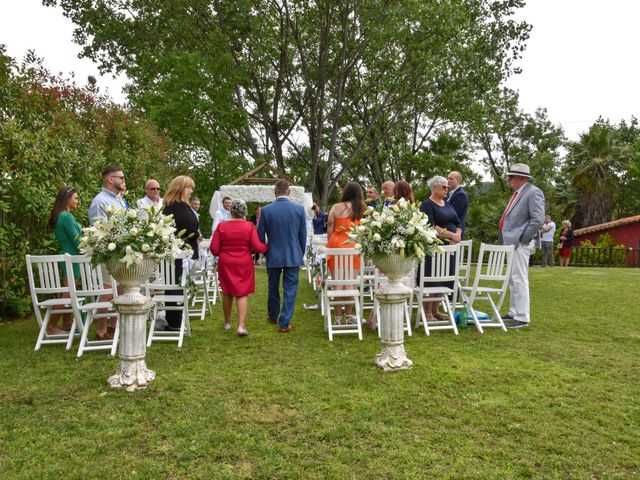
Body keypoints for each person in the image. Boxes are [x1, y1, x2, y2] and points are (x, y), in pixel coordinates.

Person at [210, 199, 268, 336]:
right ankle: (241, 326)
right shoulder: (249, 226)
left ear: (231, 211)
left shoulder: (221, 226)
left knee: (227, 292)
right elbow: (257, 247)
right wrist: (267, 246)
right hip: (243, 263)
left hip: (226, 262)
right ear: (245, 212)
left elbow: (214, 249)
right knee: (241, 293)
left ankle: (227, 322)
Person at [498, 163, 545, 329]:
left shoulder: (533, 192)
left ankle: (522, 316)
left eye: (512, 176)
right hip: (511, 241)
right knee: (512, 278)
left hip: (519, 242)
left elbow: (538, 219)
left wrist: (523, 239)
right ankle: (513, 312)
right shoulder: (519, 193)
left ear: (522, 178)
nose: (509, 179)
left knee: (519, 278)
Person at [257, 180, 307, 333]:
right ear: (289, 191)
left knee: (273, 286)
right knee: (290, 288)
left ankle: (273, 315)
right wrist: (300, 252)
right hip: (293, 253)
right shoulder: (299, 210)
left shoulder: (266, 210)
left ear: (274, 191)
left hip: (274, 254)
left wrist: (266, 251)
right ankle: (284, 322)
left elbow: (260, 235)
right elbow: (302, 235)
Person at [418, 176, 462, 323]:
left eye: (447, 187)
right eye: (443, 187)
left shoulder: (448, 204)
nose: (446, 189)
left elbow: (458, 222)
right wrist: (451, 235)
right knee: (431, 279)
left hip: (449, 249)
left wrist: (457, 235)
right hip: (435, 248)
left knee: (443, 280)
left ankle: (435, 310)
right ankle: (427, 313)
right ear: (434, 188)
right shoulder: (427, 204)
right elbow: (431, 226)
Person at [162, 176, 200, 330]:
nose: (191, 191)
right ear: (181, 188)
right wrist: (197, 235)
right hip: (181, 254)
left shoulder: (169, 205)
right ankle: (175, 322)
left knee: (173, 285)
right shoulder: (180, 207)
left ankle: (173, 320)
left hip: (175, 253)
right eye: (189, 188)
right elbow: (187, 228)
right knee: (177, 286)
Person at [325, 182, 366, 323]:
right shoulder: (361, 208)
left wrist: (329, 243)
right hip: (353, 245)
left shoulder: (336, 207)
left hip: (336, 244)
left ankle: (337, 317)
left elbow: (330, 227)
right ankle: (348, 316)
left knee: (337, 283)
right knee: (350, 284)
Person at [47, 187, 83, 335]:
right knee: (68, 293)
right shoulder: (66, 217)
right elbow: (77, 241)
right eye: (75, 198)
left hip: (67, 257)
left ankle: (67, 323)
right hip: (72, 258)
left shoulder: (62, 215)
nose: (77, 201)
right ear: (67, 199)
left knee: (69, 291)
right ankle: (51, 326)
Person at [446, 171, 469, 239]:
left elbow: (454, 215)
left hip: (455, 232)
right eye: (448, 178)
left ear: (458, 180)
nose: (448, 181)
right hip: (448, 232)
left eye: (451, 179)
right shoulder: (450, 194)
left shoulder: (461, 195)